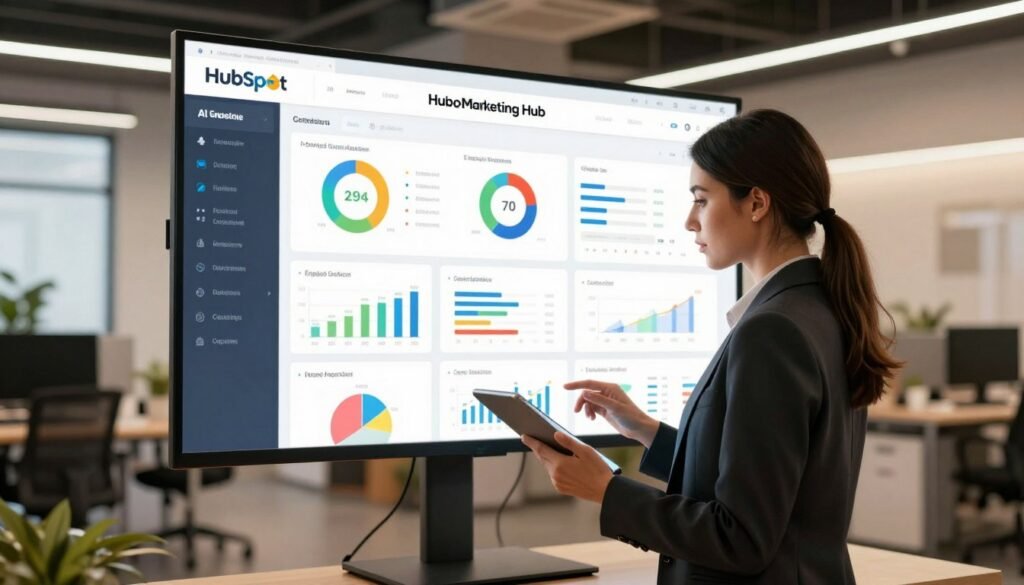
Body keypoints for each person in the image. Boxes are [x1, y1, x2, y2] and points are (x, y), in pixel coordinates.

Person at [522, 109, 901, 584]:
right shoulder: (819, 308)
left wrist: (608, 491)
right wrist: (647, 431)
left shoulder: (772, 332)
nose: (689, 221)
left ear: (757, 203)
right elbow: (764, 475)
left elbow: (740, 537)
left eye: (701, 200)